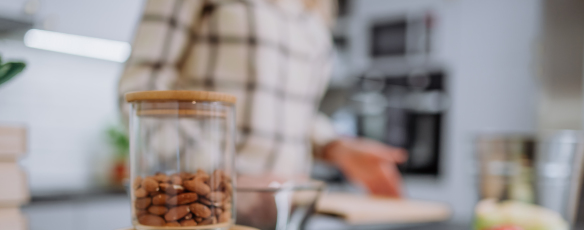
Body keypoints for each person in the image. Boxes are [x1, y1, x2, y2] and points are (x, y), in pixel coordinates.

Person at [119, 0, 406, 197]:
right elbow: (141, 84)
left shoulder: (315, 6)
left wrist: (335, 146)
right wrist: (217, 179)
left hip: (283, 216)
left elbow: (289, 113)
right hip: (201, 209)